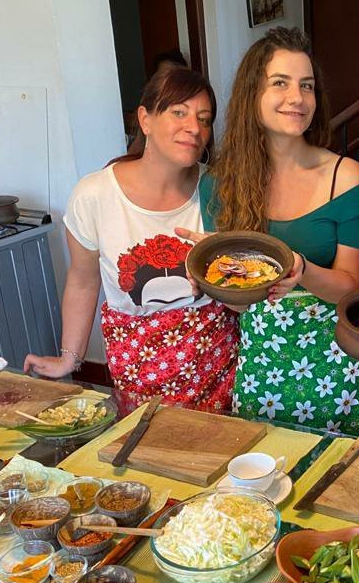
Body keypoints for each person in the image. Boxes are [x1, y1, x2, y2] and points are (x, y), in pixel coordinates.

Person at [180, 27, 359, 433]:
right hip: (261, 369)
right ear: (253, 94)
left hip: (336, 367)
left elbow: (352, 286)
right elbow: (238, 306)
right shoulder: (219, 184)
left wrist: (302, 268)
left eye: (306, 86)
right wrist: (214, 279)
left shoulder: (346, 176)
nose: (297, 98)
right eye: (280, 83)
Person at [24, 66, 238, 416]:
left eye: (204, 118)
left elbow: (244, 284)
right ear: (145, 119)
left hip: (217, 369)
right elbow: (82, 281)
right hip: (137, 372)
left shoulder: (218, 190)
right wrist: (69, 359)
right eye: (179, 112)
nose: (194, 128)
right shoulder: (94, 195)